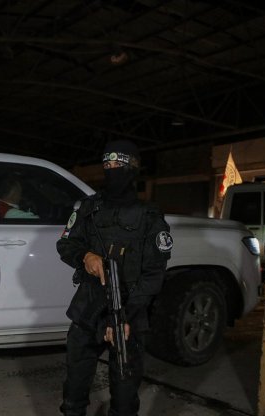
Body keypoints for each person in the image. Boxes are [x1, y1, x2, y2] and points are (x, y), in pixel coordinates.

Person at [56, 139, 172, 416]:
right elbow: (66, 244)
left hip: (129, 309)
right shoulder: (88, 208)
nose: (112, 170)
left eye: (118, 165)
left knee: (124, 396)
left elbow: (154, 274)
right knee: (74, 391)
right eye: (107, 164)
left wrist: (126, 317)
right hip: (88, 307)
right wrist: (86, 257)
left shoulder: (150, 217)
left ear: (133, 168)